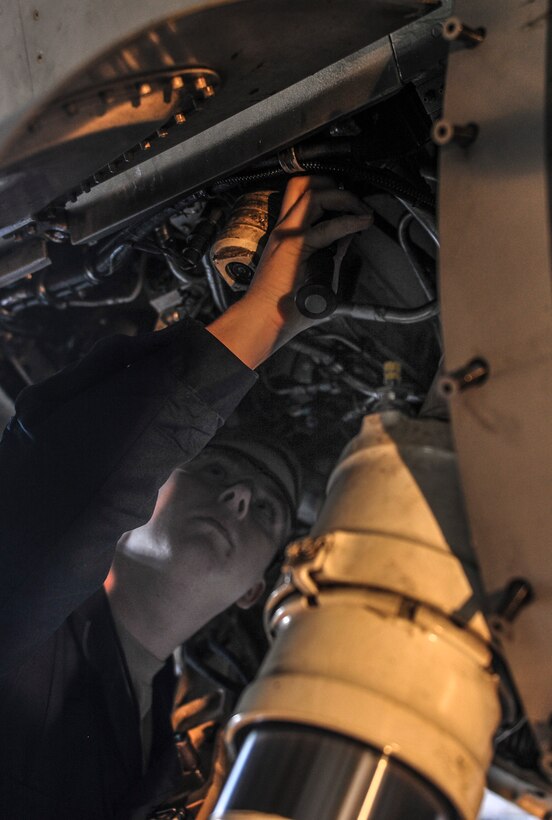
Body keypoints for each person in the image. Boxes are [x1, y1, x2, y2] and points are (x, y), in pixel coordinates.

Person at [0, 176, 373, 819]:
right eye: (218, 470)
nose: (237, 500)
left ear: (257, 589)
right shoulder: (19, 610)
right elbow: (76, 486)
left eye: (266, 510)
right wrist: (265, 318)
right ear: (152, 483)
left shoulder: (165, 762)